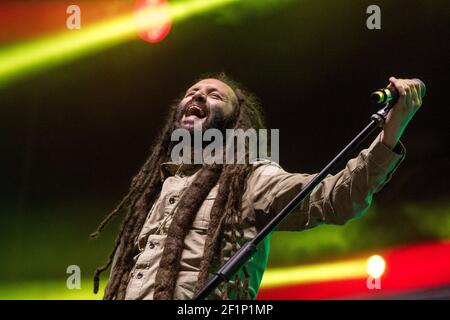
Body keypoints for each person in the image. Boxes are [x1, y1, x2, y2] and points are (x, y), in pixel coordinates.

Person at [91, 73, 423, 300]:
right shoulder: (154, 192)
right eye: (192, 92)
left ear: (235, 122)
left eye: (214, 94)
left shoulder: (249, 180)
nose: (197, 96)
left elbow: (337, 198)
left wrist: (389, 134)